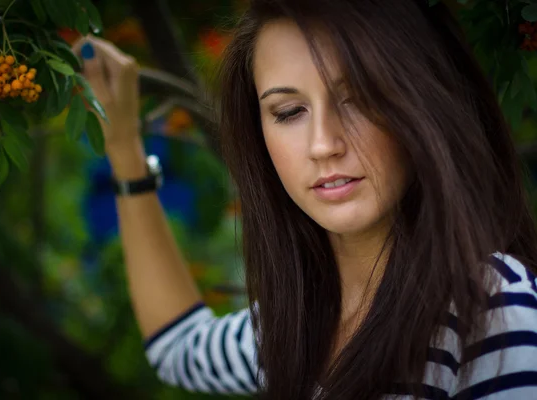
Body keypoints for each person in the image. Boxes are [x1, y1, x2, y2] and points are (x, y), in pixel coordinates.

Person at [72, 0, 537, 398]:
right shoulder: (297, 320)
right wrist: (122, 147)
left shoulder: (488, 304)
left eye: (358, 99)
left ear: (421, 104)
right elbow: (180, 348)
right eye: (289, 111)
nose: (323, 143)